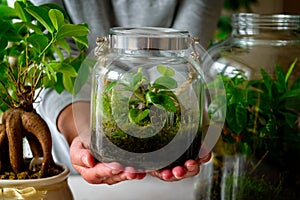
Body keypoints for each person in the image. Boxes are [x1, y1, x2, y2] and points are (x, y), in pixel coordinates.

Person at [31, 0, 224, 184]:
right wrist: (83, 133)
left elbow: (179, 59)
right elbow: (56, 60)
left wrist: (154, 119)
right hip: (72, 170)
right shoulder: (104, 64)